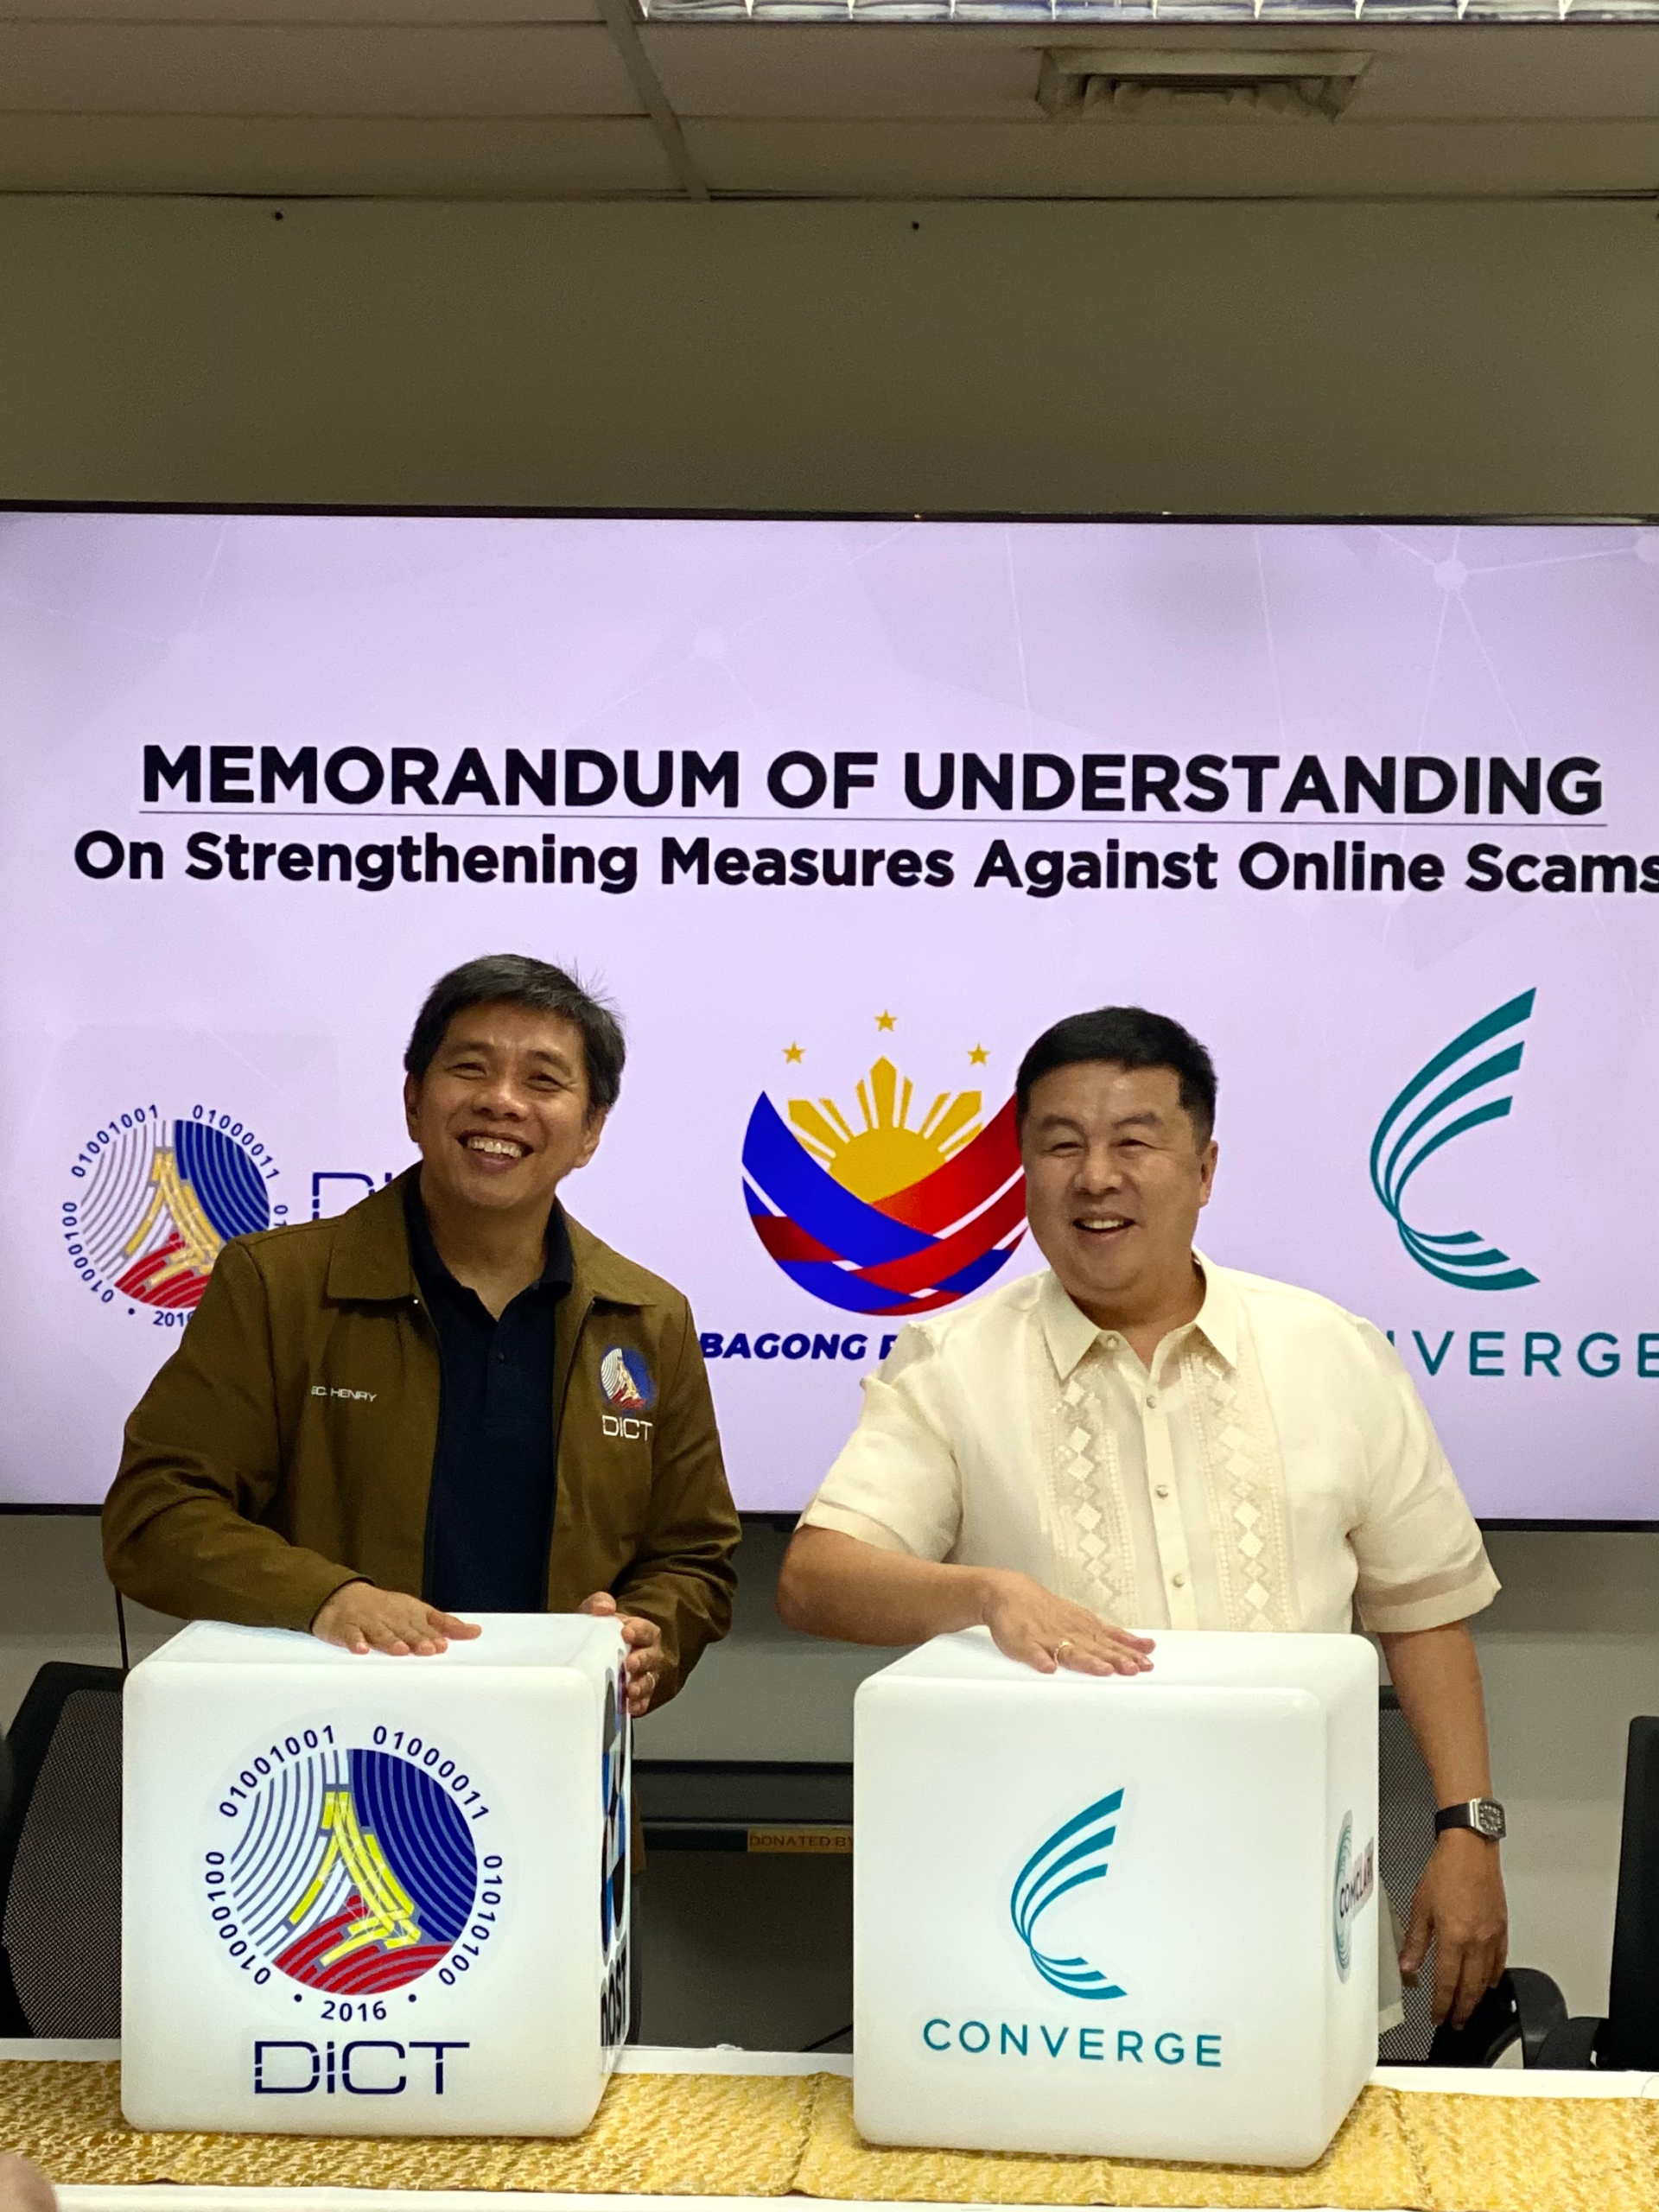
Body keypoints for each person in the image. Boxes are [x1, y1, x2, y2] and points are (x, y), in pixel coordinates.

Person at [779, 1006, 1508, 2033]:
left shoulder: (1330, 1352)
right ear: (1022, 1171)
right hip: (1041, 1915)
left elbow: (1424, 1607)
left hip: (1294, 1899)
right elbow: (814, 1577)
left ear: (1204, 1168)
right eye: (1061, 1144)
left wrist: (1466, 1830)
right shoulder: (952, 1362)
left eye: (1135, 1142)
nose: (1096, 1176)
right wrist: (984, 1592)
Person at [105, 954, 740, 1719]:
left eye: (543, 1080)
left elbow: (693, 1559)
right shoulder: (279, 1285)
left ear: (591, 1132)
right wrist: (328, 1598)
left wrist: (649, 1636)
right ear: (413, 1100)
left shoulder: (648, 1317)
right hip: (315, 1748)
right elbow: (157, 1512)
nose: (502, 1102)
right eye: (470, 1068)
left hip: (550, 1748)